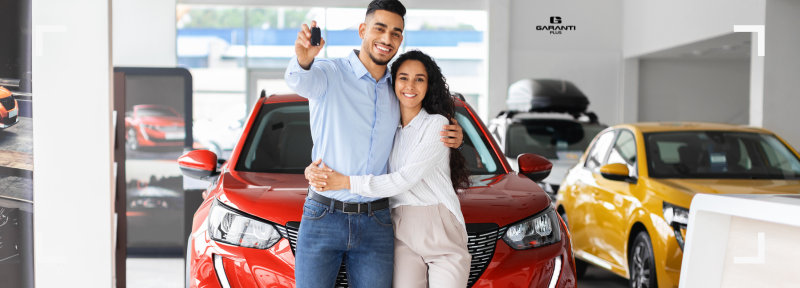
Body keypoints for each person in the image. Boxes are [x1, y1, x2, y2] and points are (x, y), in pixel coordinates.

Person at [284, 1, 463, 287]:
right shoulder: (331, 73)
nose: (386, 39)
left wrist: (457, 134)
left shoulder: (399, 87)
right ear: (362, 30)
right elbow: (300, 81)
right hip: (323, 216)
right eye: (379, 29)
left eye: (395, 33)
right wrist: (304, 60)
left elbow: (420, 125)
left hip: (377, 221)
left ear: (401, 39)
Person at [308, 50, 472, 288]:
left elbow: (404, 179)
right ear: (393, 82)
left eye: (419, 79)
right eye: (403, 77)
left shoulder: (436, 124)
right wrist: (311, 170)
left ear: (429, 86)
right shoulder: (388, 129)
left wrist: (345, 182)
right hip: (398, 226)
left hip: (439, 226)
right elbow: (355, 155)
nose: (410, 85)